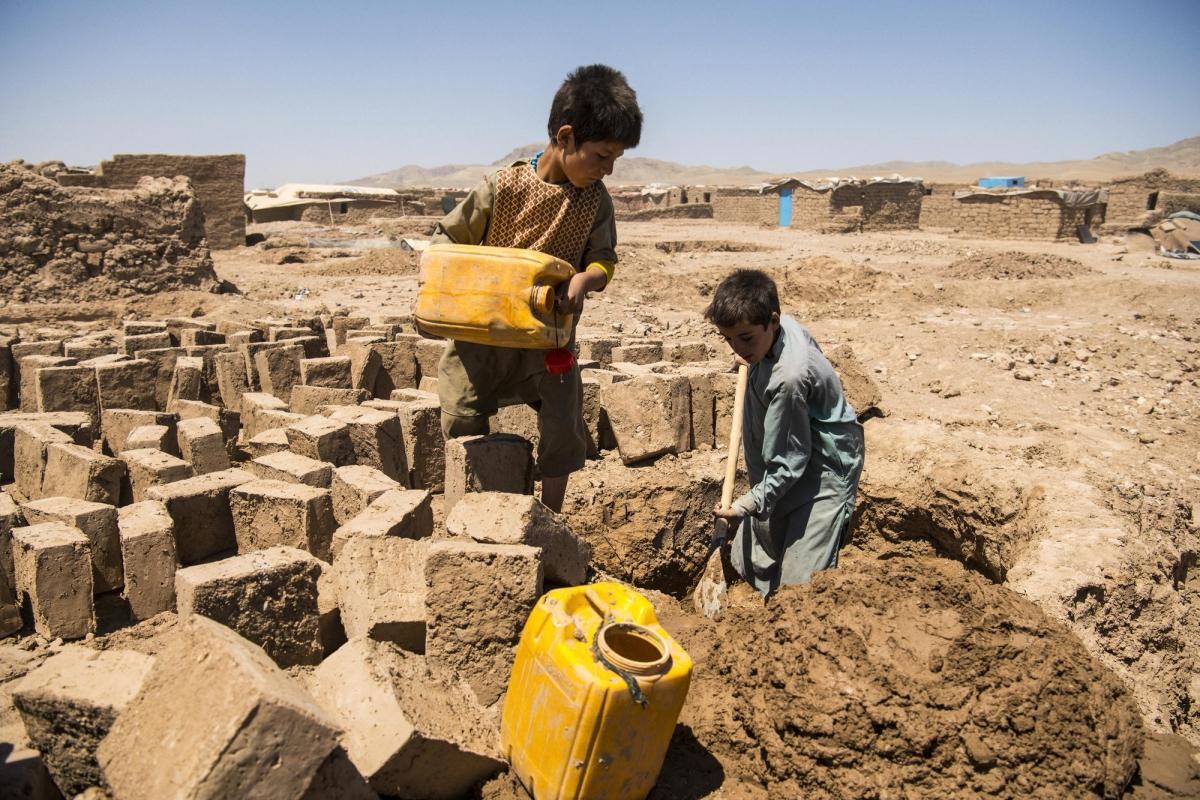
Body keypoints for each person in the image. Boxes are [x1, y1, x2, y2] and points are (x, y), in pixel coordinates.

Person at [429, 64, 642, 512]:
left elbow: (605, 260)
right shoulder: (501, 188)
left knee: (563, 422)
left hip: (549, 336)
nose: (607, 170)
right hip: (481, 335)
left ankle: (552, 514)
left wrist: (585, 279)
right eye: (601, 156)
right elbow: (447, 244)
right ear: (566, 137)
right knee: (463, 411)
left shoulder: (595, 202)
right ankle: (472, 512)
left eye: (615, 161)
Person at [706, 269, 865, 595]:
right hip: (786, 446)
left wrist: (742, 506)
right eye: (728, 339)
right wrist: (749, 349)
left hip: (825, 470)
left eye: (745, 338)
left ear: (773, 321)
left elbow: (790, 463)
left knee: (798, 590)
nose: (737, 348)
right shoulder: (773, 331)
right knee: (755, 556)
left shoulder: (788, 380)